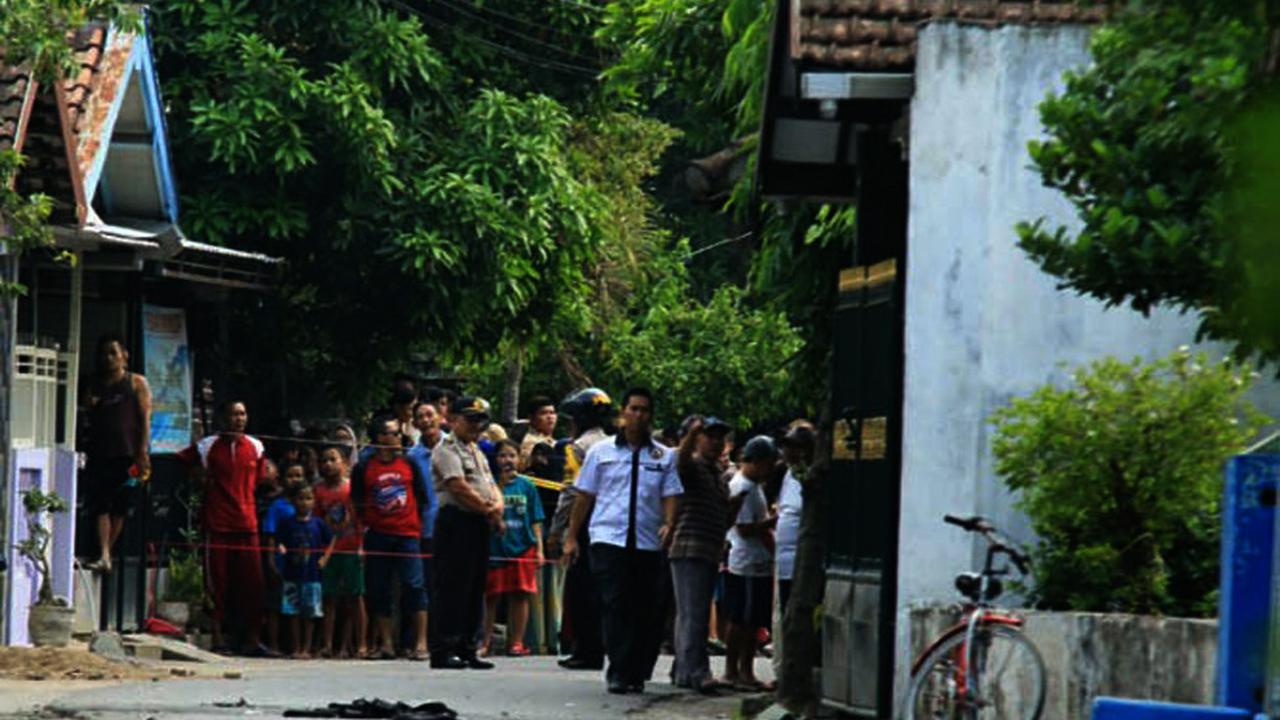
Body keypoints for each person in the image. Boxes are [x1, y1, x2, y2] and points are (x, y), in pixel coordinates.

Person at [562, 388, 683, 694]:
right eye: (633, 409)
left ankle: (638, 670)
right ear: (623, 412)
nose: (638, 415)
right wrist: (572, 537)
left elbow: (670, 494)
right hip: (608, 538)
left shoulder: (663, 456)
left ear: (650, 416)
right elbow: (584, 496)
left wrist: (669, 523)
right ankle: (618, 669)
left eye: (644, 410)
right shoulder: (600, 453)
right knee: (616, 603)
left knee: (646, 608)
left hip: (646, 540)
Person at [176, 400, 268, 656]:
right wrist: (198, 479)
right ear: (223, 418)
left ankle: (252, 639)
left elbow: (261, 478)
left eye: (242, 413)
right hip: (217, 524)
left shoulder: (256, 447)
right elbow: (180, 461)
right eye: (233, 414)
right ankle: (218, 638)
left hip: (247, 524)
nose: (238, 419)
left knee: (253, 584)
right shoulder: (208, 446)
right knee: (217, 583)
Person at [430, 396, 503, 670]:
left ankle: (468, 648)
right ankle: (444, 649)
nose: (476, 425)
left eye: (480, 420)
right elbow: (457, 486)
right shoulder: (446, 449)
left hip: (478, 523)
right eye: (470, 419)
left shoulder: (476, 450)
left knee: (474, 587)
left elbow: (491, 484)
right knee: (451, 587)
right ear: (454, 419)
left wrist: (496, 506)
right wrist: (489, 510)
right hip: (455, 522)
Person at [350, 414, 430, 661]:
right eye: (391, 433)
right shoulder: (364, 467)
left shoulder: (410, 464)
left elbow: (422, 497)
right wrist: (363, 531)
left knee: (414, 586)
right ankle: (386, 643)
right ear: (379, 437)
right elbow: (357, 501)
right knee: (379, 589)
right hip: (378, 534)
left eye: (398, 433)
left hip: (407, 534)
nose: (396, 438)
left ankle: (420, 643)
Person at [550, 387, 615, 671]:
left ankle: (586, 651)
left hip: (585, 522)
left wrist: (558, 530)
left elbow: (571, 492)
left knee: (580, 589)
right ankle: (600, 647)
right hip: (609, 523)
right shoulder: (614, 444)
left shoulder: (578, 448)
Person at [669, 416, 733, 692]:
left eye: (720, 437)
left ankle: (682, 669)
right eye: (710, 436)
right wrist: (690, 436)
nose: (716, 442)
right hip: (689, 547)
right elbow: (679, 463)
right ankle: (697, 671)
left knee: (690, 612)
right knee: (694, 613)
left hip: (709, 548)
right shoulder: (693, 466)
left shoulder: (717, 474)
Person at [83, 334, 152, 574]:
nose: (108, 358)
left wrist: (141, 451)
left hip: (127, 452)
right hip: (101, 451)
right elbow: (87, 413)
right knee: (100, 503)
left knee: (120, 505)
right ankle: (103, 552)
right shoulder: (95, 384)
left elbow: (144, 419)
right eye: (104, 353)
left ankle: (107, 552)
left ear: (124, 355)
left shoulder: (136, 383)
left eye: (113, 353)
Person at [722, 435, 780, 690]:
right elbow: (744, 528)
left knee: (753, 620)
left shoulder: (754, 487)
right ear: (756, 462)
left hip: (758, 563)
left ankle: (745, 669)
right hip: (745, 563)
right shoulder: (742, 488)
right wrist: (773, 521)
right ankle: (734, 670)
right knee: (741, 620)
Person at [483, 440, 545, 656]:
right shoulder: (489, 485)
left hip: (523, 547)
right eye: (502, 456)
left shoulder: (527, 485)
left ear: (519, 459)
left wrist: (539, 549)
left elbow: (536, 519)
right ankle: (484, 642)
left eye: (511, 456)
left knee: (520, 595)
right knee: (491, 595)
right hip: (495, 547)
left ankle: (516, 642)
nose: (507, 461)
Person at [314, 445, 366, 659]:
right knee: (329, 598)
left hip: (352, 548)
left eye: (333, 459)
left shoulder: (352, 489)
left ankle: (360, 644)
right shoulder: (318, 491)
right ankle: (328, 644)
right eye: (324, 460)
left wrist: (362, 546)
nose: (328, 464)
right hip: (330, 552)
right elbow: (317, 521)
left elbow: (360, 519)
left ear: (345, 463)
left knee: (355, 597)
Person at [771, 420, 814, 679]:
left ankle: (795, 674)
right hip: (784, 560)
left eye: (792, 446)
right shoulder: (788, 473)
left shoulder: (809, 475)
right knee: (785, 617)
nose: (786, 451)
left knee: (797, 619)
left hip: (800, 559)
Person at [275, 483, 335, 658]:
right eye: (300, 498)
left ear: (314, 501)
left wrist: (325, 558)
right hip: (292, 574)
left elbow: (331, 540)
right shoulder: (288, 523)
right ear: (294, 501)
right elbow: (279, 540)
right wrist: (281, 549)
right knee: (293, 612)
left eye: (308, 498)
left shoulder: (319, 523)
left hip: (312, 576)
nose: (304, 502)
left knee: (309, 614)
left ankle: (306, 648)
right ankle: (296, 647)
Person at [405, 401, 443, 655]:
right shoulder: (412, 457)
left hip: (456, 523)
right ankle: (427, 640)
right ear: (415, 423)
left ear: (441, 417)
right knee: (427, 583)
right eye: (421, 417)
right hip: (426, 527)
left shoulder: (455, 446)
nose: (426, 420)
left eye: (430, 414)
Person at [261, 462, 305, 654]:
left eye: (298, 475)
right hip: (281, 563)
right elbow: (269, 535)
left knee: (296, 606)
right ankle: (274, 645)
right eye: (290, 475)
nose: (294, 480)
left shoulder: (307, 503)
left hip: (303, 564)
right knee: (275, 606)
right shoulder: (277, 506)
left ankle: (297, 646)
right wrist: (270, 562)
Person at [519, 396, 557, 471]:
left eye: (552, 413)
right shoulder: (530, 442)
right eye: (543, 413)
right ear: (531, 418)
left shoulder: (553, 441)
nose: (550, 417)